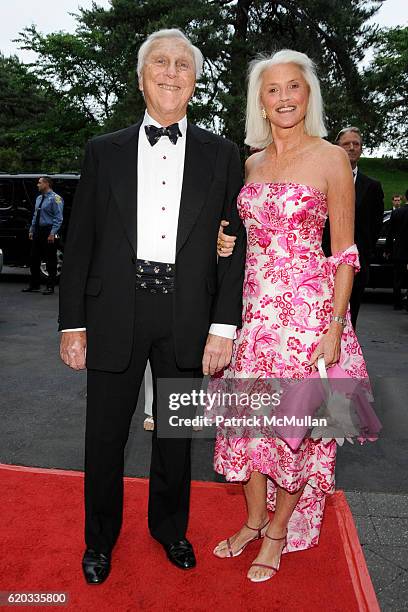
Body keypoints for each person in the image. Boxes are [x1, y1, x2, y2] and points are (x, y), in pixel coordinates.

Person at [58, 28, 246, 583]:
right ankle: (99, 541)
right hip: (114, 308)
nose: (171, 72)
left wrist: (222, 326)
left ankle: (170, 528)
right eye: (159, 63)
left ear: (195, 80)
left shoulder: (223, 153)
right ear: (141, 77)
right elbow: (80, 243)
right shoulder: (102, 150)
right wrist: (72, 324)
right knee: (104, 436)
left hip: (187, 313)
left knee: (175, 435)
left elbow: (234, 246)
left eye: (182, 65)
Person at [212, 49, 370, 583]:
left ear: (308, 95)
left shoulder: (331, 159)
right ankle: (254, 519)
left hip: (306, 318)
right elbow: (243, 238)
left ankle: (278, 530)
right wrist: (222, 243)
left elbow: (345, 252)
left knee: (294, 430)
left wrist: (333, 327)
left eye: (293, 88)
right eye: (273, 88)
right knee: (251, 427)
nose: (284, 97)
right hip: (253, 315)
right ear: (261, 98)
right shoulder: (250, 162)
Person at [321, 127, 384, 329]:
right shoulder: (321, 180)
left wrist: (363, 257)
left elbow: (375, 227)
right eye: (346, 144)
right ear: (336, 148)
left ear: (361, 149)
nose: (351, 148)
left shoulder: (372, 186)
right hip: (321, 263)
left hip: (356, 267)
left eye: (356, 144)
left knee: (349, 323)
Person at [22, 176, 63, 295]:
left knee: (50, 259)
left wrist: (52, 233)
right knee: (34, 258)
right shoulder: (39, 198)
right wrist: (31, 229)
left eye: (39, 183)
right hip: (38, 231)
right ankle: (35, 285)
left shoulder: (56, 199)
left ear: (46, 184)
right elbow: (35, 215)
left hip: (49, 230)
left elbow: (58, 218)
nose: (37, 185)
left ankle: (50, 286)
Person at [386, 200, 408, 309]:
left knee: (398, 279)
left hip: (400, 250)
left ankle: (397, 303)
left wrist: (388, 249)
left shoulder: (397, 213)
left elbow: (390, 233)